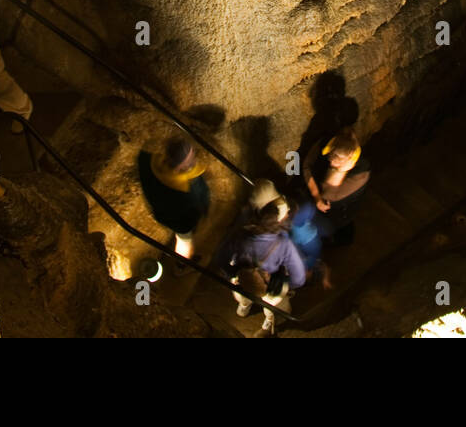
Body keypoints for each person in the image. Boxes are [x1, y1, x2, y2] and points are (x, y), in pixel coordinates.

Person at [215, 199, 306, 335]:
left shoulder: (240, 234)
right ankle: (268, 323)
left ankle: (244, 307)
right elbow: (299, 279)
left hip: (243, 280)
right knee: (272, 306)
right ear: (278, 222)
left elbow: (220, 258)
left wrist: (233, 273)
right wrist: (286, 284)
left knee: (242, 294)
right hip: (269, 287)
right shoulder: (284, 245)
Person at [137, 136, 210, 269]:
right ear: (179, 167)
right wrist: (198, 216)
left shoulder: (149, 159)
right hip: (178, 220)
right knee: (184, 241)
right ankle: (181, 264)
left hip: (161, 210)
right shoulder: (183, 192)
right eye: (189, 159)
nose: (194, 159)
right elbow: (188, 214)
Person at [305, 127, 370, 247]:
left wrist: (339, 172)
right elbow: (306, 166)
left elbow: (329, 194)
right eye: (330, 157)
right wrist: (315, 195)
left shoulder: (360, 174)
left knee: (341, 230)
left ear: (349, 161)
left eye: (337, 162)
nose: (331, 164)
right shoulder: (326, 143)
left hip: (342, 212)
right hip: (324, 206)